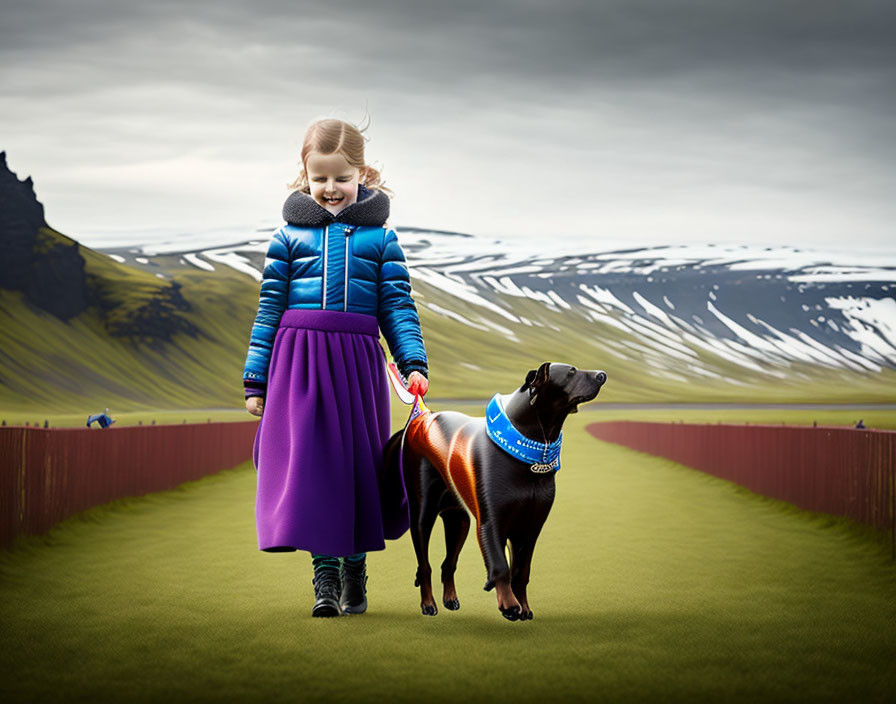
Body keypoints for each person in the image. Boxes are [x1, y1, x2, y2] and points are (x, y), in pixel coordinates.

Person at [243, 118, 429, 618]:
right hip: (297, 364)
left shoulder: (382, 241)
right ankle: (324, 579)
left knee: (360, 470)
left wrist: (412, 361)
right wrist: (255, 378)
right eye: (319, 177)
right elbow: (268, 312)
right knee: (313, 471)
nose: (330, 188)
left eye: (341, 178)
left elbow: (397, 307)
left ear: (362, 174)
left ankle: (355, 572)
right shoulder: (286, 239)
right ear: (304, 175)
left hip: (357, 365)